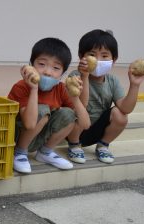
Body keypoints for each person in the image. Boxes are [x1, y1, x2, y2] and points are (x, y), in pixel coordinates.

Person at [66, 29, 144, 164]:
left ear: (113, 60)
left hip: (96, 130)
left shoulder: (112, 81)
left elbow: (126, 108)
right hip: (73, 130)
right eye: (92, 55)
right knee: (76, 113)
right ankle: (74, 146)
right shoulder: (76, 76)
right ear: (81, 57)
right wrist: (85, 76)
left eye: (104, 56)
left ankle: (103, 146)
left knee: (120, 115)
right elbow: (82, 105)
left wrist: (134, 85)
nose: (98, 60)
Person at [8, 37, 90, 174]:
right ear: (31, 65)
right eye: (41, 64)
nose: (47, 72)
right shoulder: (21, 87)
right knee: (43, 110)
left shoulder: (61, 89)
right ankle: (19, 152)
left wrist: (75, 98)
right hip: (15, 137)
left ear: (62, 73)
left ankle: (45, 152)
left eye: (56, 68)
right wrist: (34, 89)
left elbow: (85, 124)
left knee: (69, 114)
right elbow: (29, 124)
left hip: (39, 137)